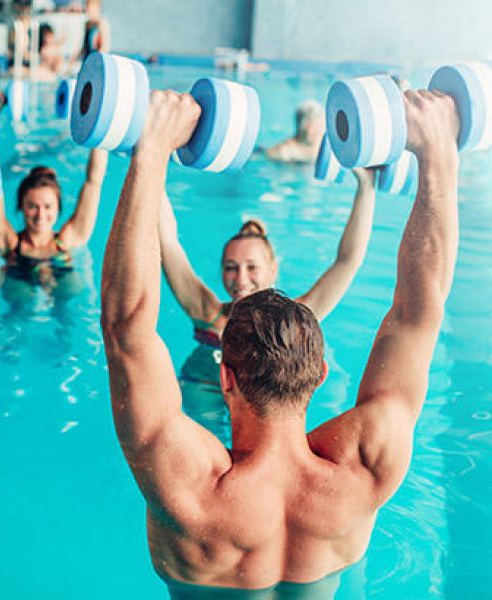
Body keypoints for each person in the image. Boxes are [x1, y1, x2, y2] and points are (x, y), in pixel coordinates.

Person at [99, 85, 461, 593]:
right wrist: (440, 155)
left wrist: (152, 151)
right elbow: (418, 314)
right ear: (321, 374)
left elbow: (127, 328)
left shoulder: (188, 488)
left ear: (225, 377)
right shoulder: (365, 470)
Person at [159, 171, 374, 439]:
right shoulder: (208, 314)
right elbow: (168, 245)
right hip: (205, 395)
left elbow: (348, 260)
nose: (240, 279)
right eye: (231, 268)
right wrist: (151, 165)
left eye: (252, 267)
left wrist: (367, 187)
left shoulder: (295, 319)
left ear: (273, 269)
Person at [0, 91, 107, 311]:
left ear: (58, 208)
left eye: (48, 207)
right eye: (32, 206)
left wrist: (100, 116)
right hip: (16, 308)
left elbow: (94, 181)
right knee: (19, 303)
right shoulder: (7, 242)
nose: (40, 215)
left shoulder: (70, 238)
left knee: (67, 302)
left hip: (66, 324)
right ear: (21, 207)